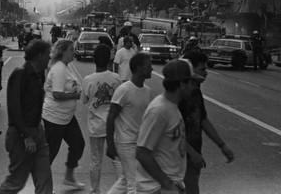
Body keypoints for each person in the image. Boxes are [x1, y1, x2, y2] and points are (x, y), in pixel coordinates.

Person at [0, 40, 53, 194]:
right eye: (48, 54)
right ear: (39, 55)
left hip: (37, 131)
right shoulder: (21, 73)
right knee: (16, 182)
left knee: (44, 179)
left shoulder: (38, 74)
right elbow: (15, 108)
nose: (50, 57)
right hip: (21, 134)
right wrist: (26, 135)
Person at [135, 58, 197, 194]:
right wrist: (167, 184)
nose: (194, 87)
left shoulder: (172, 107)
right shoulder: (159, 111)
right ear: (182, 84)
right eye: (191, 82)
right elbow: (142, 153)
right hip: (156, 189)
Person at [179, 52, 234, 194]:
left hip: (193, 155)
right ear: (190, 70)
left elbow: (202, 120)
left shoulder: (196, 92)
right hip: (179, 157)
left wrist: (222, 145)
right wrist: (192, 153)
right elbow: (173, 132)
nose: (206, 73)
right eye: (202, 69)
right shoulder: (179, 97)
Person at [106, 53, 154, 194]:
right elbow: (111, 117)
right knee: (135, 182)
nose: (152, 69)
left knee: (125, 180)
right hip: (125, 143)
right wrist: (110, 144)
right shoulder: (124, 90)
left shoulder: (148, 92)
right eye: (148, 66)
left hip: (140, 144)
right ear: (139, 68)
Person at [42, 39, 85, 189]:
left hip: (66, 117)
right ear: (63, 52)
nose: (74, 52)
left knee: (78, 144)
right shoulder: (59, 69)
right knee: (50, 153)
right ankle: (43, 187)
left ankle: (69, 177)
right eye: (71, 50)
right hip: (55, 117)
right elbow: (57, 94)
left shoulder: (66, 67)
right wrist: (75, 95)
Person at [81, 44, 122, 194]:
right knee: (117, 159)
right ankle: (121, 189)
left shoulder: (88, 79)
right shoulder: (117, 78)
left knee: (95, 160)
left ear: (93, 60)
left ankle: (95, 190)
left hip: (95, 126)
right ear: (109, 59)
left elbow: (84, 100)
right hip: (114, 125)